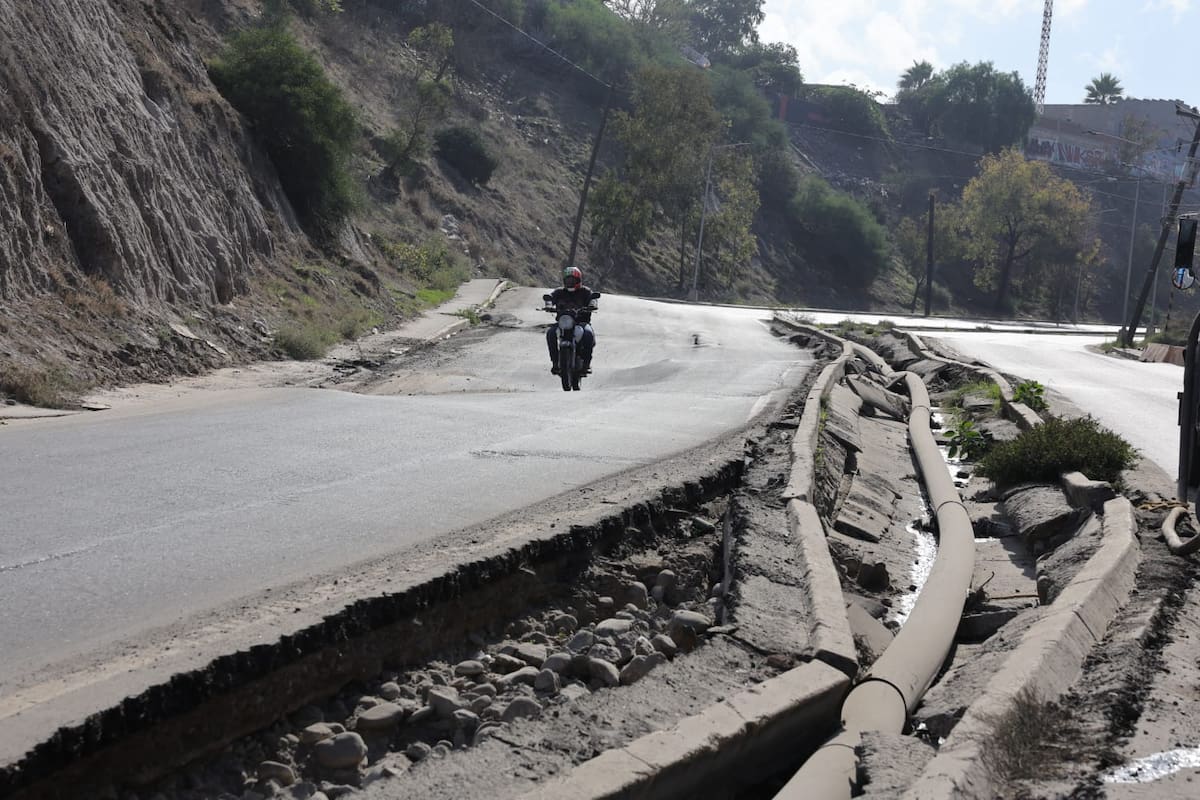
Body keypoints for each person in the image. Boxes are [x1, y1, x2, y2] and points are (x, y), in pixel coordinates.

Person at [545, 266, 596, 375]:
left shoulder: (585, 291)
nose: (570, 282)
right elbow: (550, 297)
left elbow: (592, 298)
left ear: (578, 280)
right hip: (563, 323)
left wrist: (592, 305)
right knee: (550, 333)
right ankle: (555, 362)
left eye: (572, 280)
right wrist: (548, 304)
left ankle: (586, 364)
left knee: (588, 334)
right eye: (568, 280)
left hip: (581, 322)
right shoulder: (559, 292)